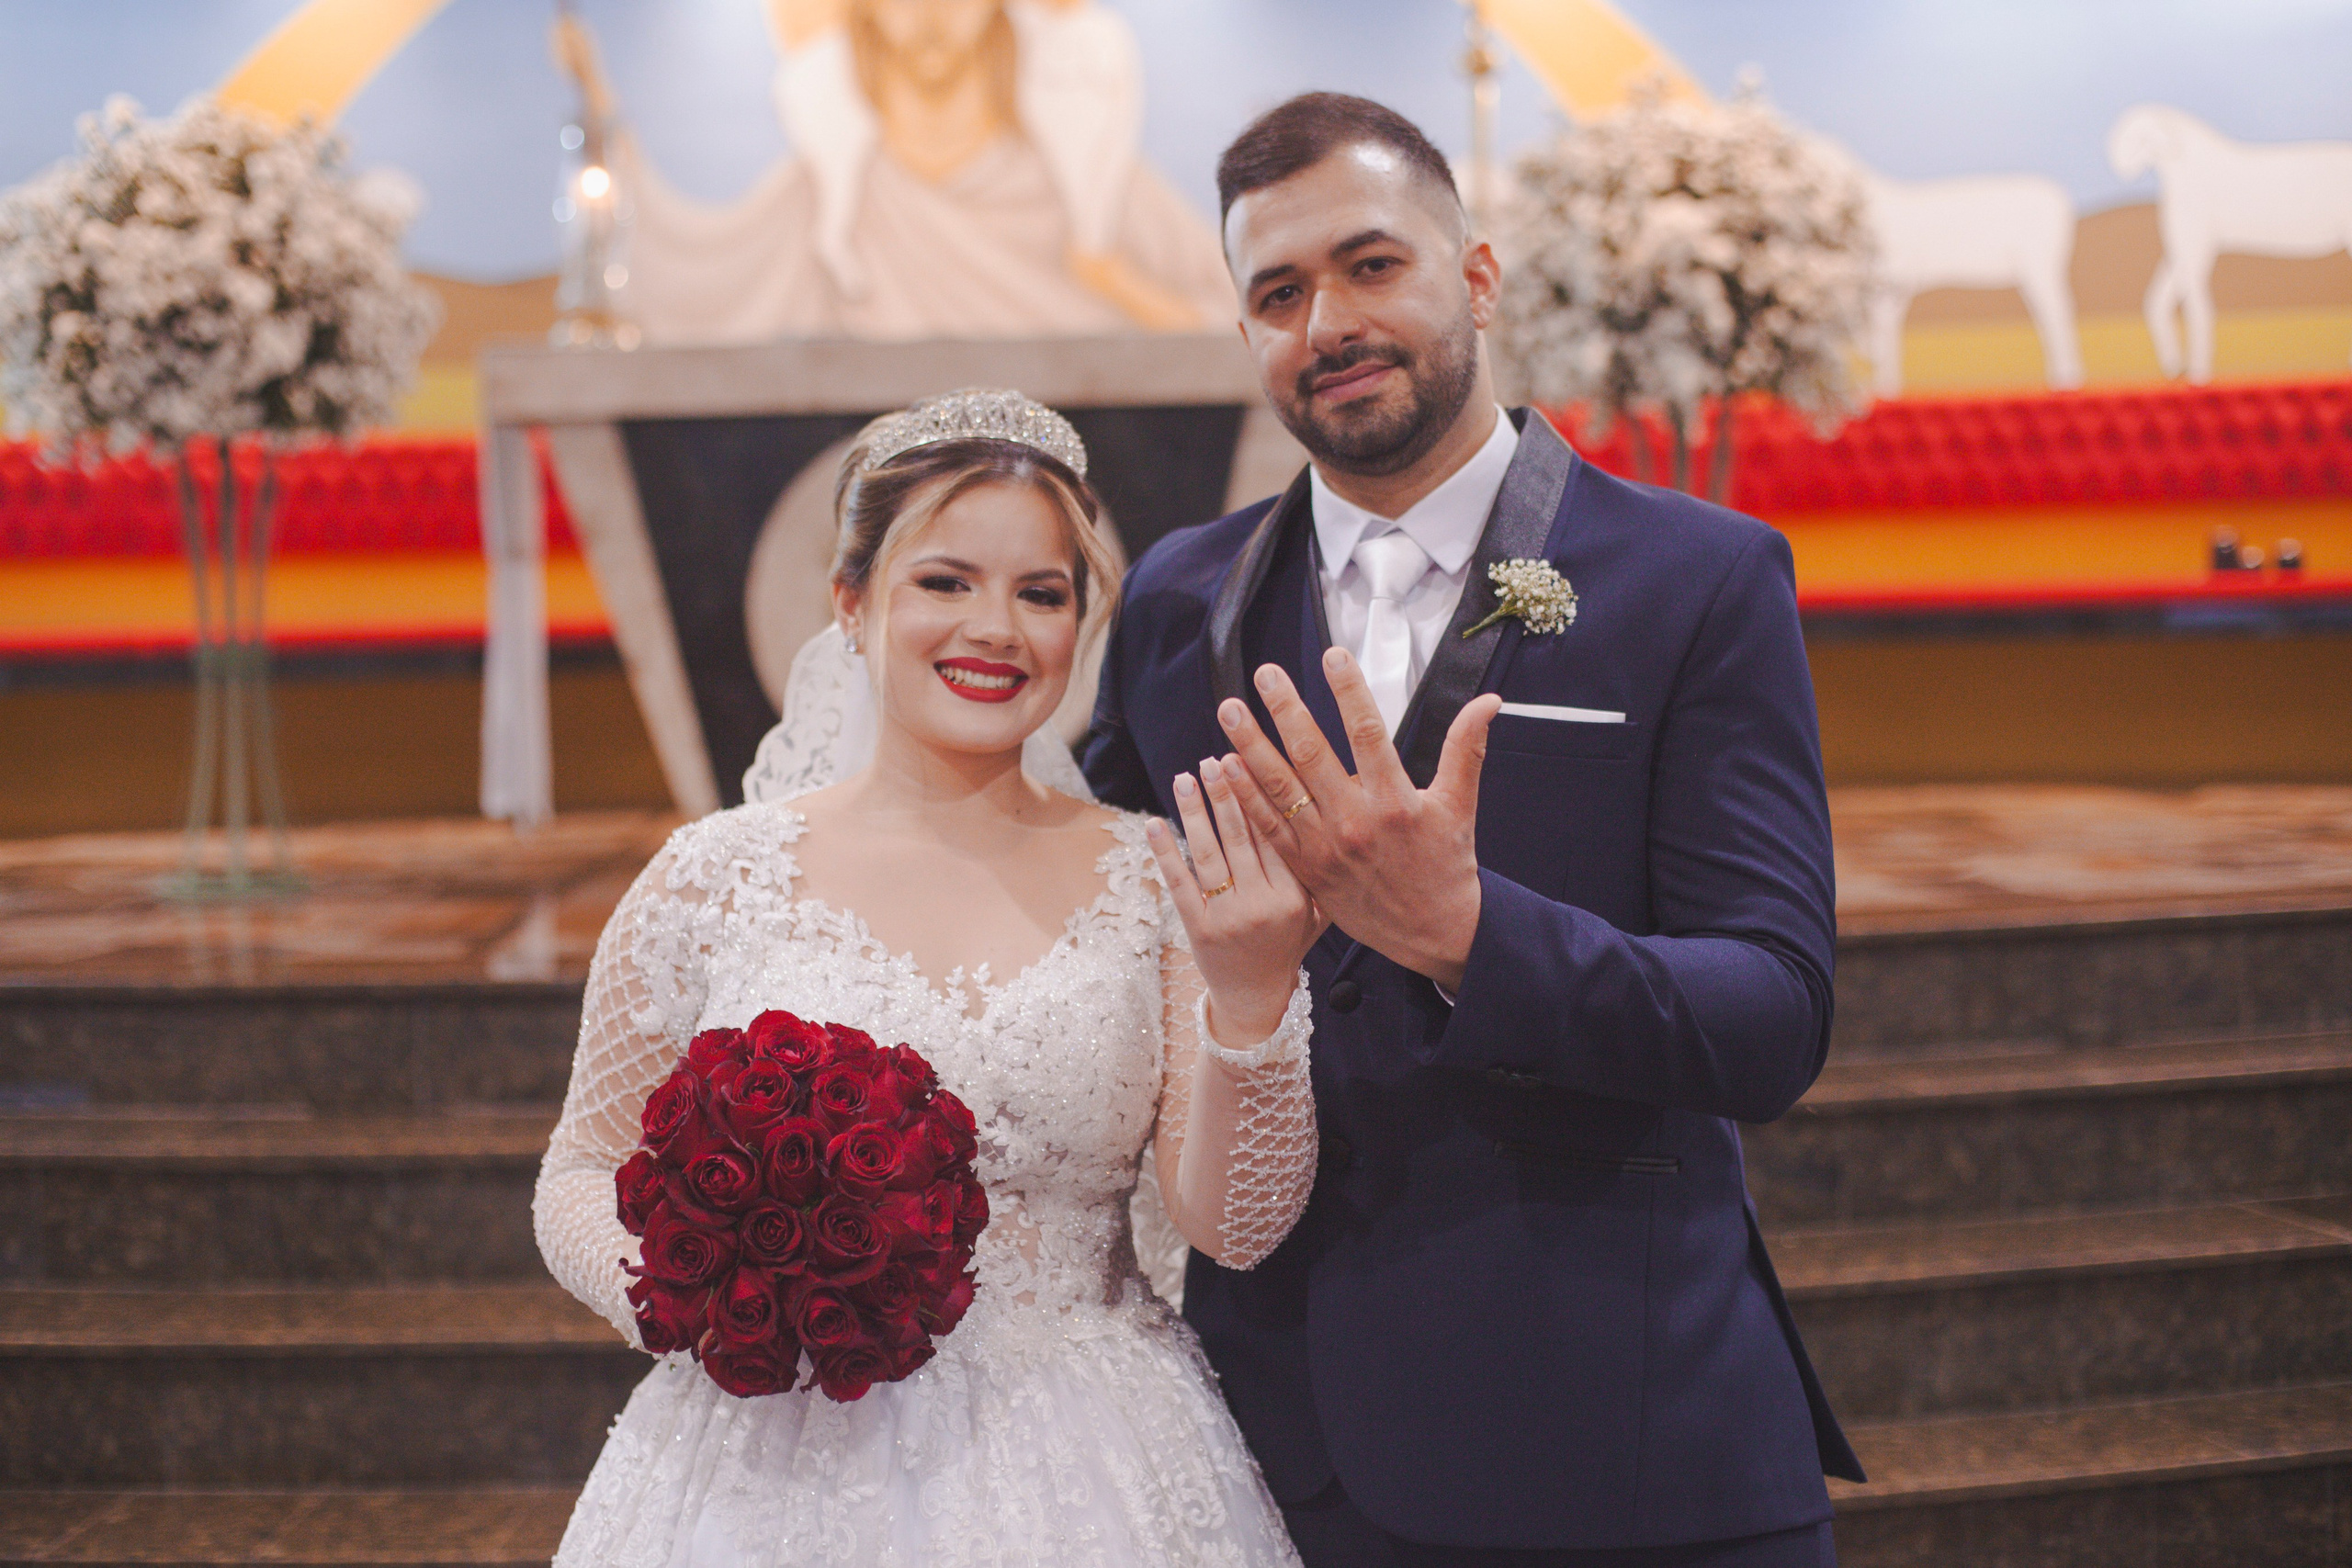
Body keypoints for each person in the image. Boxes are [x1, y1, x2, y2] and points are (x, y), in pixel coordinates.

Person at [1082, 94, 1865, 1566]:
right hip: (1276, 1445)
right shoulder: (1176, 604)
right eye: (1278, 292)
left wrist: (1472, 934)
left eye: (1374, 265)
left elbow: (1774, 1015)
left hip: (1619, 1437)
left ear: (1479, 277)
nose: (1329, 320)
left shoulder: (1696, 580)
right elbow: (1078, 915)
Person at [535, 389, 1320, 1565]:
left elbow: (1236, 1228)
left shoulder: (1150, 878)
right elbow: (582, 1172)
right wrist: (703, 1304)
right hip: (770, 1458)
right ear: (851, 605)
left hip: (1087, 1459)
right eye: (944, 582)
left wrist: (1253, 999)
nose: (994, 628)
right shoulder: (711, 878)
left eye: (1040, 594)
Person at [549, 0, 1229, 344]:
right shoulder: (828, 203)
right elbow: (698, 276)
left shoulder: (1094, 195)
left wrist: (1110, 276)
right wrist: (603, 108)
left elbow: (1240, 324)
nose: (930, 15)